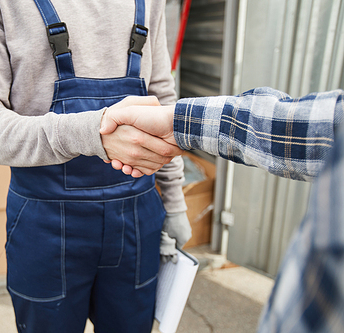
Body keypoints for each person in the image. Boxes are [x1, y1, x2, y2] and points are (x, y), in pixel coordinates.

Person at [0, 1, 190, 332]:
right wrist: (93, 133)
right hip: (46, 222)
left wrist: (175, 201)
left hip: (137, 217)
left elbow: (161, 98)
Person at [100, 86, 344, 332]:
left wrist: (174, 204)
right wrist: (176, 121)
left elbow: (161, 88)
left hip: (135, 214)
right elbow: (317, 127)